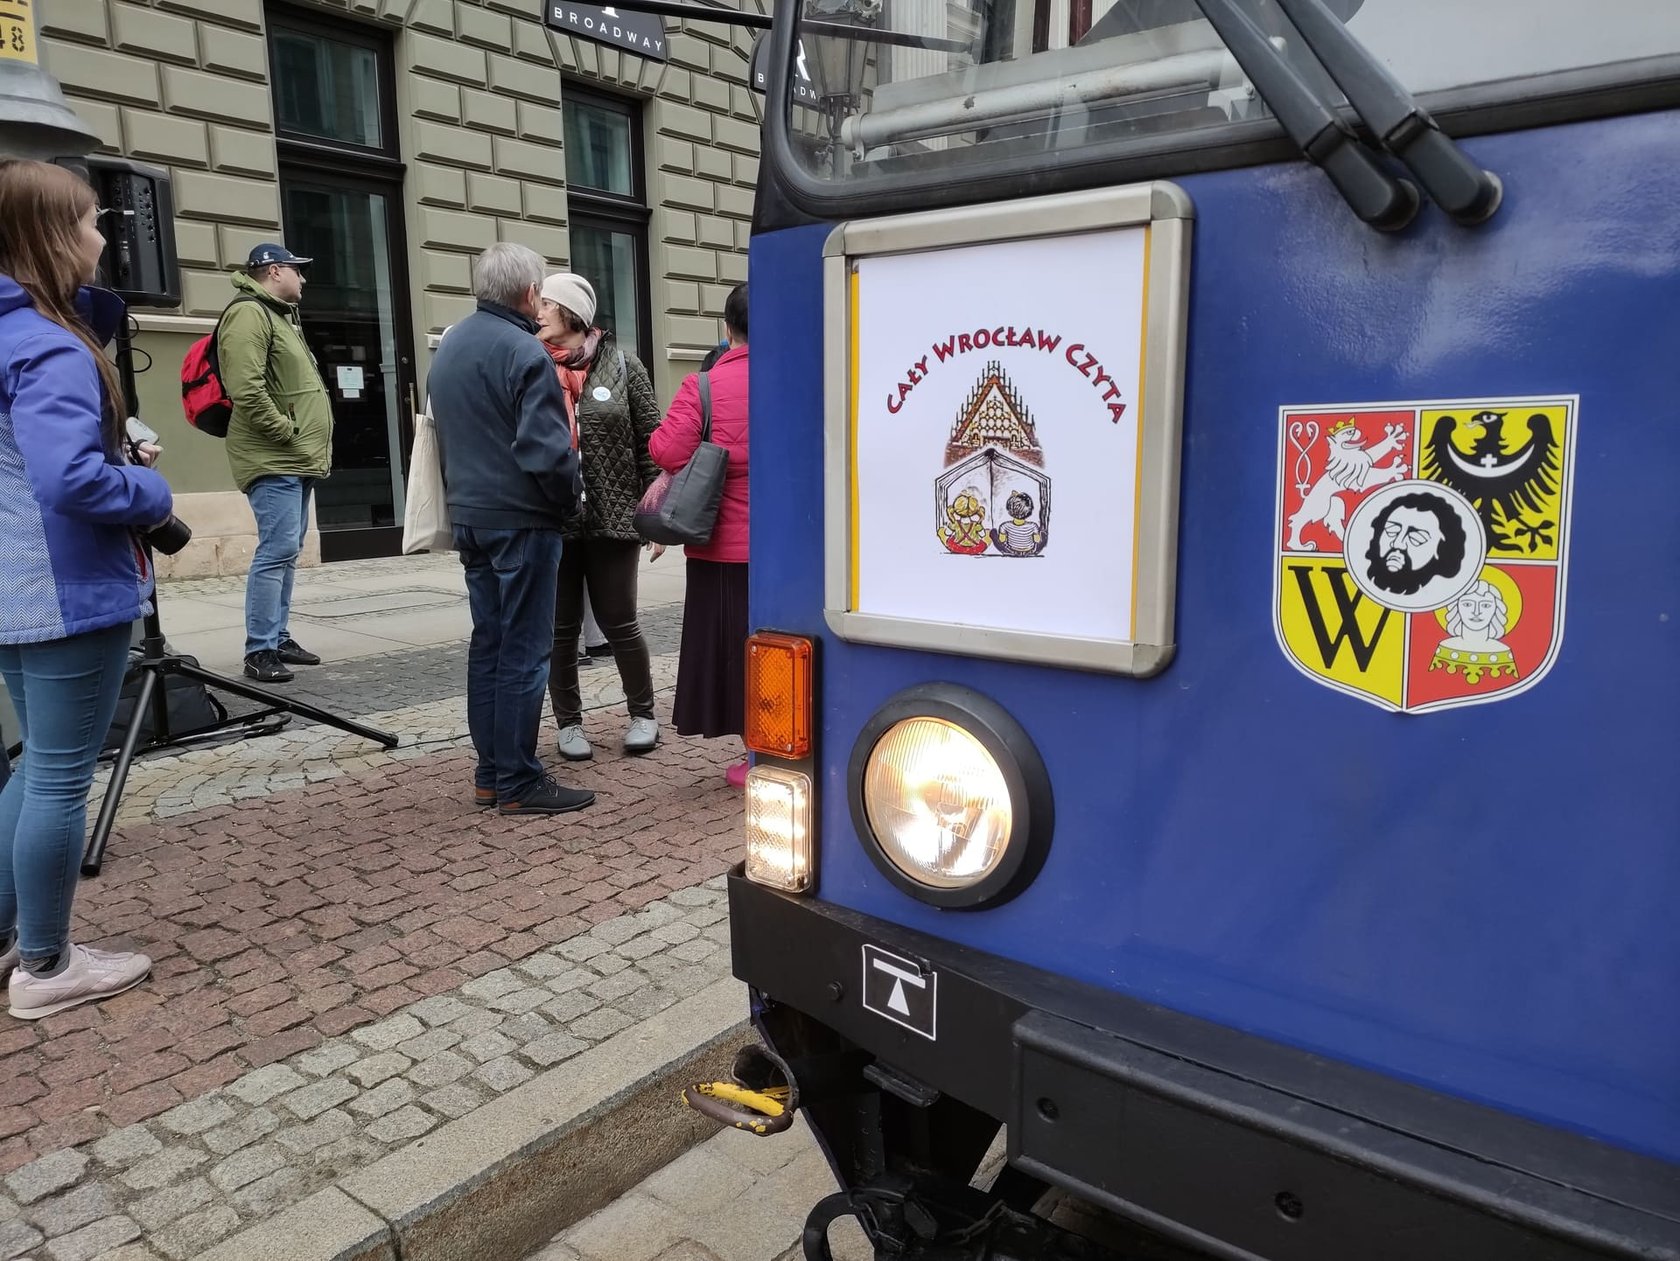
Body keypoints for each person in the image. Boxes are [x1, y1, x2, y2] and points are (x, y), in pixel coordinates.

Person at [0, 159, 173, 1018]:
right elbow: (71, 478)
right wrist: (151, 489)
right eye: (92, 219)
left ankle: (17, 939)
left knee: (34, 768)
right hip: (67, 588)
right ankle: (46, 963)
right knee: (60, 779)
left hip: (15, 586)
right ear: (54, 233)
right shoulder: (48, 343)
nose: (103, 235)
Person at [428, 244, 592, 816]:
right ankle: (518, 780)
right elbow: (547, 452)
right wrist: (571, 498)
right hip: (521, 518)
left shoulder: (452, 344)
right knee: (524, 650)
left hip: (471, 514)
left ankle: (491, 774)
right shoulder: (524, 351)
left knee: (490, 645)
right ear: (528, 293)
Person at [536, 273, 663, 761]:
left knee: (620, 621)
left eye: (548, 304)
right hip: (555, 520)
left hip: (614, 517)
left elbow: (651, 443)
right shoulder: (532, 364)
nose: (539, 312)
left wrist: (655, 513)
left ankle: (643, 715)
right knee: (560, 629)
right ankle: (569, 724)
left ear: (572, 313)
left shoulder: (623, 366)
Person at [650, 284, 750, 786]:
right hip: (792, 551)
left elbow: (667, 451)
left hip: (722, 550)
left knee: (735, 654)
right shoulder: (800, 377)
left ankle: (757, 754)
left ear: (727, 329)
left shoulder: (703, 386)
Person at [220, 242, 333, 684]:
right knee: (275, 551)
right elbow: (245, 388)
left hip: (293, 457)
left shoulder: (280, 316)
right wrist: (287, 432)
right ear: (273, 271)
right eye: (296, 270)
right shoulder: (249, 313)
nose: (302, 279)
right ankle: (260, 649)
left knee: (286, 551)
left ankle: (278, 637)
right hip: (274, 456)